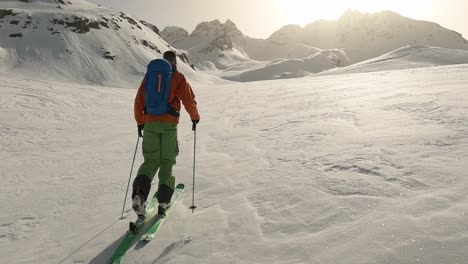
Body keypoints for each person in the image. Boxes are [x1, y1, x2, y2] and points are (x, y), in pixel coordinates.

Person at [132, 50, 200, 218]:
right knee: (167, 162)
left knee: (150, 162)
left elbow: (139, 100)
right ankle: (163, 202)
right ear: (175, 61)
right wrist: (195, 118)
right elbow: (189, 100)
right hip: (169, 125)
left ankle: (139, 196)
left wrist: (140, 122)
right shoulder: (177, 77)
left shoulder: (150, 76)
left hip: (149, 125)